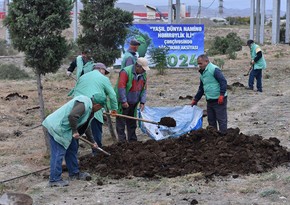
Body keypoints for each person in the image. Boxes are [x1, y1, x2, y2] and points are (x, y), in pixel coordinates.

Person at [42, 93, 106, 187]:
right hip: (57, 126)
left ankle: (74, 173)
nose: (99, 110)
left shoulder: (90, 109)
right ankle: (54, 179)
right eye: (100, 108)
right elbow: (72, 116)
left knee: (72, 148)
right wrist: (75, 131)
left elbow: (85, 126)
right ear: (97, 105)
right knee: (58, 152)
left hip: (66, 129)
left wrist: (92, 141)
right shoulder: (84, 104)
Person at [70, 63, 118, 154]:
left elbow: (74, 91)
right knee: (96, 134)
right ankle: (96, 156)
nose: (104, 74)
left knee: (76, 134)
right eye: (105, 71)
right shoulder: (103, 78)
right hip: (93, 109)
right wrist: (114, 110)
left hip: (76, 110)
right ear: (101, 69)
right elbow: (112, 95)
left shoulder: (82, 77)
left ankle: (74, 158)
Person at [191, 54, 228, 134]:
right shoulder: (203, 73)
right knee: (211, 120)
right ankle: (214, 139)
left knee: (221, 120)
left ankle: (224, 138)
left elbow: (223, 82)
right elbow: (201, 88)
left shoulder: (214, 69)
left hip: (219, 100)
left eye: (200, 63)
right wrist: (195, 99)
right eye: (198, 64)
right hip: (210, 100)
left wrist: (221, 95)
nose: (199, 65)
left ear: (206, 61)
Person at [115, 57, 150, 142]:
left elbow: (144, 89)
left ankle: (132, 141)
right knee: (121, 123)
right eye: (143, 69)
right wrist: (123, 101)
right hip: (124, 102)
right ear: (137, 66)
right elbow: (121, 87)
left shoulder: (143, 74)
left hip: (134, 102)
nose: (144, 71)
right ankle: (122, 142)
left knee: (132, 122)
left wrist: (142, 101)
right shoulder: (125, 72)